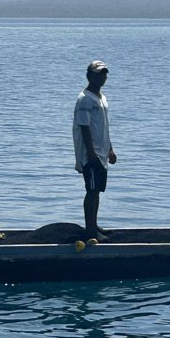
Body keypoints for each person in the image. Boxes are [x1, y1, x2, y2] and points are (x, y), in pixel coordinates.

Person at [73, 60, 117, 241]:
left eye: (104, 74)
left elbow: (104, 126)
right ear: (90, 76)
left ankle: (94, 224)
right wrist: (90, 152)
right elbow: (84, 126)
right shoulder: (85, 99)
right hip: (91, 152)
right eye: (99, 73)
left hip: (101, 151)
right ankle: (90, 229)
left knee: (97, 189)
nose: (103, 77)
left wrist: (110, 149)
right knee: (91, 189)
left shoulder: (102, 98)